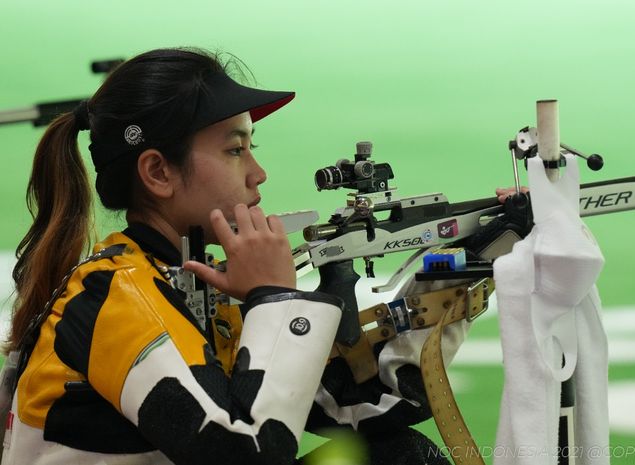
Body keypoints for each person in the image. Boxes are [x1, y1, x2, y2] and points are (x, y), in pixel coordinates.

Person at [1, 47, 480, 465]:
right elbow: (245, 451)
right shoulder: (118, 295)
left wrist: (461, 278)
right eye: (236, 150)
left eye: (254, 147)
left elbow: (358, 409)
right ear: (158, 173)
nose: (259, 173)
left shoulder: (194, 285)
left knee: (398, 455)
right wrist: (274, 298)